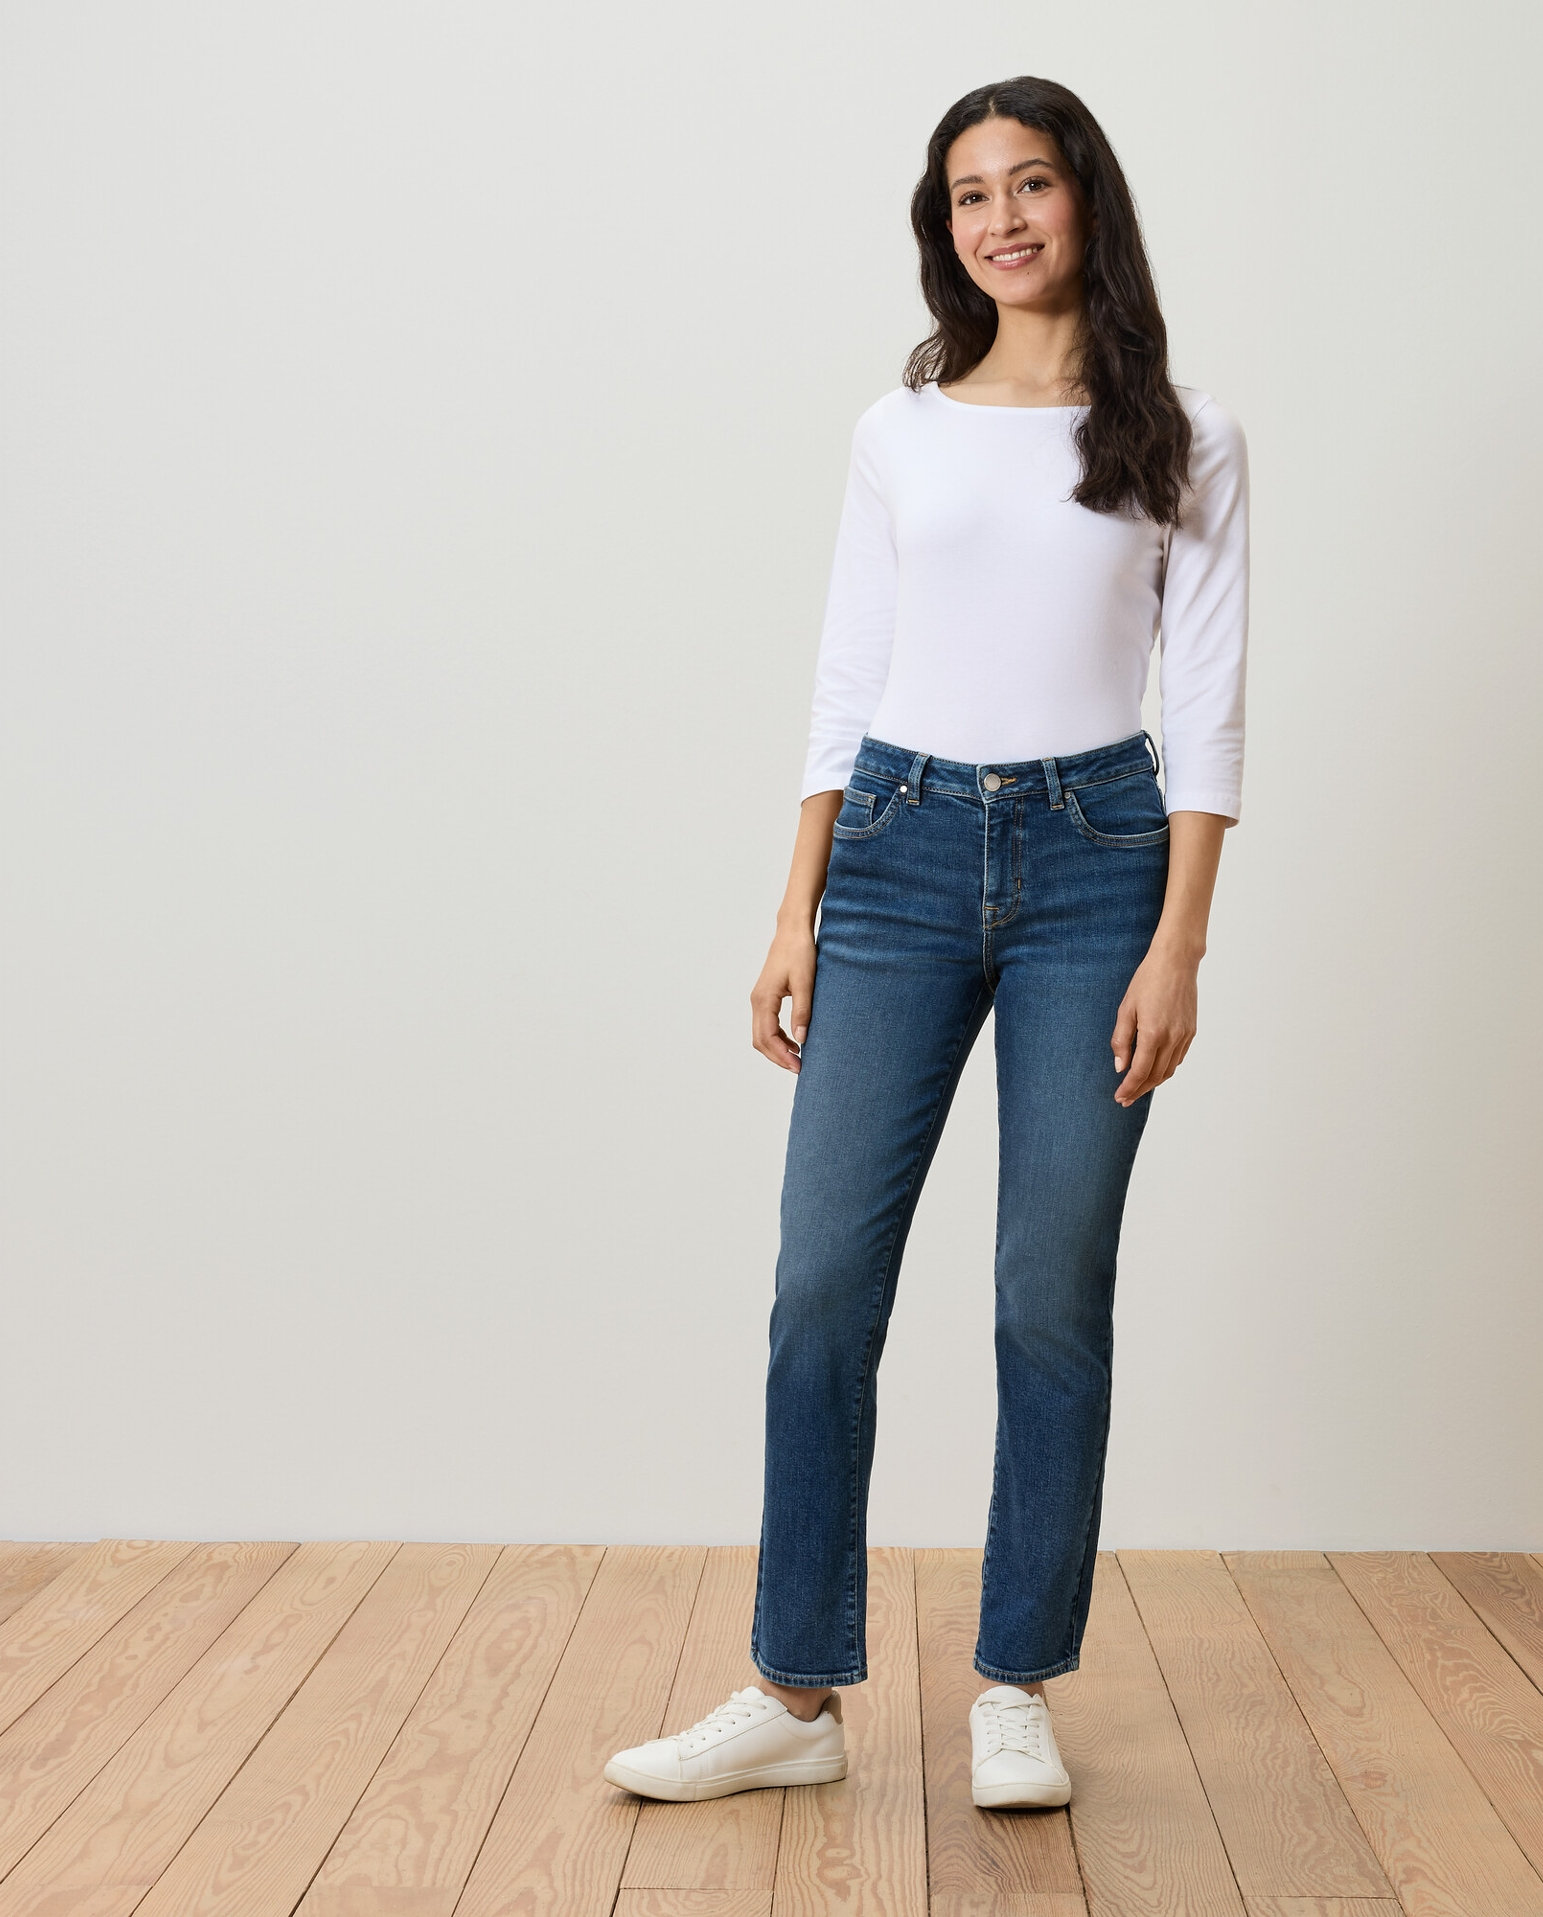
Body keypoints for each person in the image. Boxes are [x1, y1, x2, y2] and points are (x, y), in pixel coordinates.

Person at [605, 74, 1247, 1812]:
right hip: (891, 854)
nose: (1002, 217)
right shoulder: (897, 431)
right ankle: (791, 1690)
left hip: (1100, 866)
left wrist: (1177, 941)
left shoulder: (1179, 432)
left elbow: (1205, 708)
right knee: (822, 1282)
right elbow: (846, 674)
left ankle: (1016, 1683)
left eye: (1030, 183)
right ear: (942, 229)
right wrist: (795, 904)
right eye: (970, 194)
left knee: (1049, 1291)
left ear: (1084, 202)